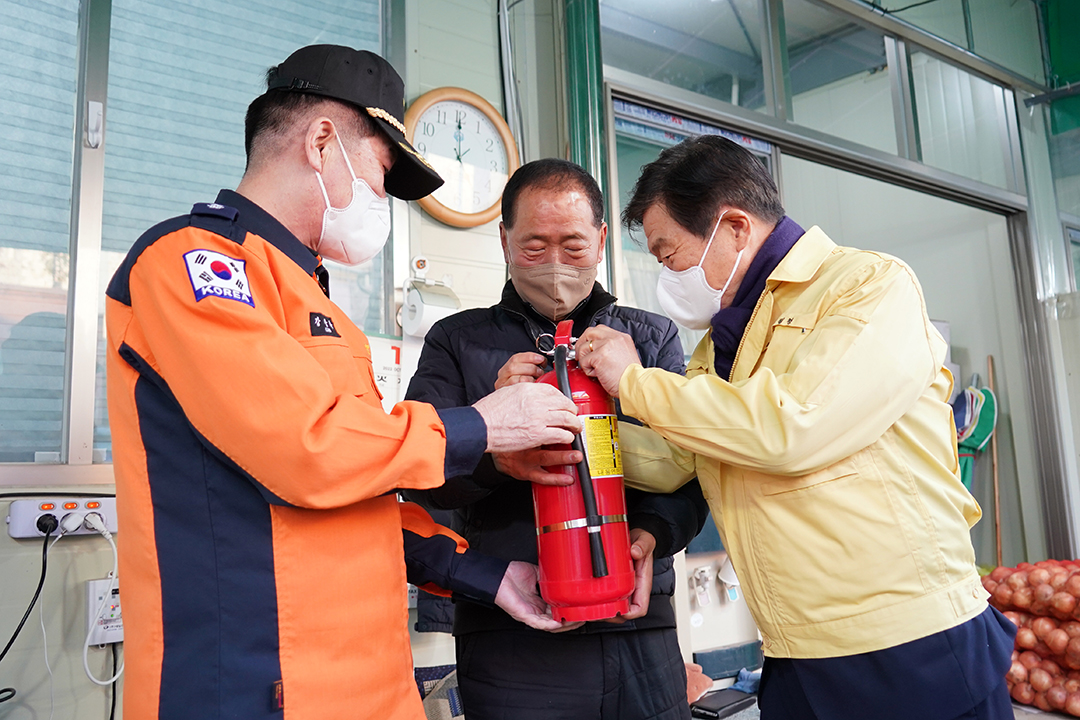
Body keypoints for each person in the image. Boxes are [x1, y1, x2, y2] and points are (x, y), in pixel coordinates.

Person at [104, 45, 582, 720]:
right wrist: (484, 424)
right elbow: (308, 449)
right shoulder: (192, 264)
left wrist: (486, 573)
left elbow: (358, 489)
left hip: (372, 685)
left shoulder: (317, 302)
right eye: (382, 176)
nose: (382, 202)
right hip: (259, 687)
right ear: (322, 142)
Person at [575, 135, 1016, 720]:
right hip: (795, 651)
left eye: (668, 254)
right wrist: (570, 430)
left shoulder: (867, 286)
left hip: (910, 640)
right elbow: (674, 458)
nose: (667, 275)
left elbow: (793, 426)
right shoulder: (721, 344)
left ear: (734, 228)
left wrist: (634, 382)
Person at [404, 158, 709, 720]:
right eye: (534, 246)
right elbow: (420, 478)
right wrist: (492, 439)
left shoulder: (649, 339)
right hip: (512, 635)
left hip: (638, 627)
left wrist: (651, 536)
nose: (555, 265)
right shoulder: (457, 342)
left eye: (572, 246)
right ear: (504, 241)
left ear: (601, 240)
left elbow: (695, 471)